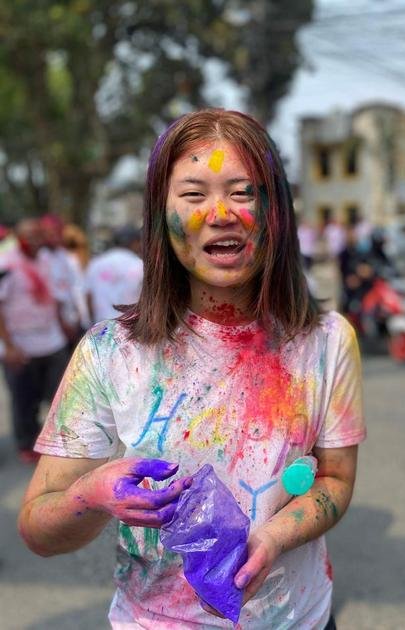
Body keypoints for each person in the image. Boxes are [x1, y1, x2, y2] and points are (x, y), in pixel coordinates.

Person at [18, 109, 365, 628]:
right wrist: (92, 493)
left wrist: (274, 536)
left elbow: (335, 478)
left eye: (243, 192)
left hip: (302, 618)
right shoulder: (109, 352)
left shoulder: (327, 339)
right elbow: (38, 530)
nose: (221, 212)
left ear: (277, 211)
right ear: (161, 215)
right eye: (194, 194)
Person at [0, 218, 71, 464]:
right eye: (28, 235)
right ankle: (27, 443)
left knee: (60, 396)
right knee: (24, 400)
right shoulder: (6, 264)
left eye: (38, 234)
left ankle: (56, 443)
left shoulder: (47, 260)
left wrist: (63, 325)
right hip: (21, 346)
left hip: (53, 341)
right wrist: (9, 346)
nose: (35, 239)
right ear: (18, 237)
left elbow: (55, 297)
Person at [85, 225, 144, 324]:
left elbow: (88, 296)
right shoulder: (139, 265)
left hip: (100, 328)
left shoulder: (97, 263)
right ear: (134, 242)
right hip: (129, 329)